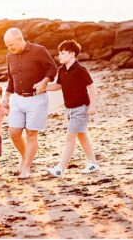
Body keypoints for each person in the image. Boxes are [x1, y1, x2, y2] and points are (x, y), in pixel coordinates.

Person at [2, 28, 57, 179]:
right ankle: (25, 157)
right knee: (14, 133)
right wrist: (6, 96)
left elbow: (53, 68)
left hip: (36, 99)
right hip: (18, 99)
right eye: (7, 46)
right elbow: (10, 79)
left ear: (20, 39)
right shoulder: (10, 57)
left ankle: (26, 167)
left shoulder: (39, 50)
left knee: (31, 134)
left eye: (11, 44)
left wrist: (44, 81)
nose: (9, 48)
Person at [46, 40, 100, 177]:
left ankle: (60, 168)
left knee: (70, 137)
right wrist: (43, 88)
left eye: (62, 53)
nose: (60, 56)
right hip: (69, 109)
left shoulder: (81, 70)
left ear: (72, 54)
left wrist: (93, 105)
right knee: (82, 135)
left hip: (81, 109)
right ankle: (93, 163)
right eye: (59, 53)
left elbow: (91, 87)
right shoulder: (62, 70)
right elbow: (58, 86)